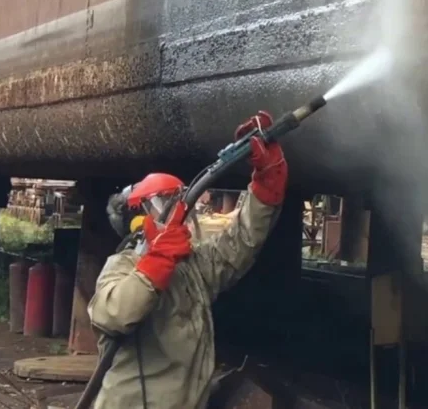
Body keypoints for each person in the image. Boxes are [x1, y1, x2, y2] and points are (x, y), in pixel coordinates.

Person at [88, 111, 288, 409]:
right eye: (166, 204)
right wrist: (156, 260)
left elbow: (241, 242)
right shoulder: (121, 267)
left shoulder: (192, 269)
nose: (183, 216)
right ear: (140, 218)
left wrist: (265, 186)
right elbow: (116, 313)